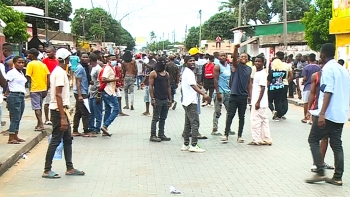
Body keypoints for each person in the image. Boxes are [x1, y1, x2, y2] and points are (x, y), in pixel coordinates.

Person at [306, 43, 350, 186]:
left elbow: (328, 92)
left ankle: (319, 171)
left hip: (329, 113)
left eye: (320, 54)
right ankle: (337, 177)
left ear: (323, 54)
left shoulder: (328, 69)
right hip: (340, 113)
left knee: (313, 139)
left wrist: (322, 114)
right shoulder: (343, 70)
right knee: (337, 144)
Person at [43, 48, 85, 179]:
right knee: (56, 139)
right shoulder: (60, 73)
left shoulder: (59, 71)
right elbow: (58, 95)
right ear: (66, 59)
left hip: (62, 110)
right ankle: (47, 169)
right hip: (58, 111)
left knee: (67, 139)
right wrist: (62, 117)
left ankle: (70, 167)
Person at [306, 60, 334, 172]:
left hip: (329, 111)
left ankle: (320, 162)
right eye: (321, 64)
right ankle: (317, 163)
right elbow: (312, 93)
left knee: (325, 137)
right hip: (318, 109)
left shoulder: (332, 75)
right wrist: (309, 110)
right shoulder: (315, 76)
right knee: (315, 137)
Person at [222, 45, 252, 143]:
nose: (243, 58)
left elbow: (249, 83)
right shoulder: (235, 66)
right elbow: (234, 58)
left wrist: (250, 95)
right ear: (239, 58)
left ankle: (240, 136)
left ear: (248, 59)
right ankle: (226, 134)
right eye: (241, 57)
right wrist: (235, 48)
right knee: (230, 115)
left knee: (242, 117)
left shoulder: (249, 69)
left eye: (245, 57)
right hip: (234, 95)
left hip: (243, 96)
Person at [180, 56, 210, 152]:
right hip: (190, 101)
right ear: (185, 62)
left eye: (193, 60)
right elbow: (193, 85)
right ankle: (193, 145)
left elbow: (194, 84)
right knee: (195, 123)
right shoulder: (188, 73)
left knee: (188, 124)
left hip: (187, 101)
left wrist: (200, 87)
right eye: (190, 61)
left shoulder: (188, 72)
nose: (193, 62)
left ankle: (185, 144)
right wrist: (204, 94)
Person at [248, 55, 272, 145]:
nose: (257, 63)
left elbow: (263, 88)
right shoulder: (258, 73)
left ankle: (256, 139)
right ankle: (266, 139)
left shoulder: (262, 73)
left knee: (255, 121)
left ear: (263, 62)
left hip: (259, 102)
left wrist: (257, 101)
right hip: (261, 102)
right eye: (256, 61)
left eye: (259, 61)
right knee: (263, 121)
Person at [26, 48, 50, 132]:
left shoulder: (30, 64)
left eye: (28, 54)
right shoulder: (42, 64)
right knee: (39, 107)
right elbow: (48, 76)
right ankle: (38, 123)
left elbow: (28, 76)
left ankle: (41, 125)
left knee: (36, 108)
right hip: (43, 88)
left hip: (35, 88)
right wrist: (47, 88)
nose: (27, 55)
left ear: (32, 55)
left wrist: (29, 86)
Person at [149, 58, 172, 142]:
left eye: (164, 62)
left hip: (165, 99)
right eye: (161, 62)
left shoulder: (167, 74)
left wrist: (170, 99)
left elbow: (168, 86)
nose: (163, 64)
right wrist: (153, 98)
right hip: (157, 99)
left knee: (163, 118)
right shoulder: (154, 73)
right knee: (155, 118)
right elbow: (151, 86)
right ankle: (153, 135)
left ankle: (161, 134)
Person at [6, 56, 26, 144]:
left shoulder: (21, 73)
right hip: (14, 95)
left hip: (21, 96)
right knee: (15, 117)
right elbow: (6, 83)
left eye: (22, 62)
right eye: (19, 62)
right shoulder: (11, 73)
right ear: (14, 63)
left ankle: (16, 135)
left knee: (19, 117)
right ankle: (11, 137)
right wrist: (6, 95)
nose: (21, 64)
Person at [72, 52, 92, 137]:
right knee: (85, 112)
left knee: (78, 112)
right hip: (81, 92)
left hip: (84, 91)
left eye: (87, 57)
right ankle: (86, 131)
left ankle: (75, 130)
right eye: (83, 57)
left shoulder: (86, 67)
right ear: (80, 58)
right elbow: (78, 82)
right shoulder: (80, 68)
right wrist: (80, 95)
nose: (85, 59)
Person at [212, 52, 231, 136]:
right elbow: (215, 80)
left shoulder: (228, 66)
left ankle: (228, 128)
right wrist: (218, 92)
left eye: (224, 56)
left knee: (230, 111)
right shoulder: (217, 66)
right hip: (220, 91)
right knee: (217, 111)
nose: (223, 57)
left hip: (228, 91)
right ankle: (214, 129)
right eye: (221, 56)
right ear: (218, 57)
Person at [100, 55, 119, 136]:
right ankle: (105, 125)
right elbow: (103, 79)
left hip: (109, 91)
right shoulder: (108, 68)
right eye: (112, 59)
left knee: (108, 110)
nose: (114, 61)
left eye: (115, 59)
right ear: (108, 60)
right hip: (108, 92)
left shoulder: (112, 67)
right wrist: (115, 79)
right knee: (116, 109)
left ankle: (105, 128)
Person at [301, 53, 320, 123]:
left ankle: (306, 117)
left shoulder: (306, 67)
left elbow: (305, 78)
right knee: (314, 103)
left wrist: (303, 82)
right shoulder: (318, 67)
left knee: (306, 102)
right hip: (316, 87)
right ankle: (312, 119)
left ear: (308, 59)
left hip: (307, 87)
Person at [42, 46, 58, 125]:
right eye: (47, 52)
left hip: (56, 83)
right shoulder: (44, 61)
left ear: (54, 52)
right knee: (47, 102)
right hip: (48, 83)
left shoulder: (57, 60)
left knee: (54, 101)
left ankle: (53, 118)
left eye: (49, 52)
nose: (48, 54)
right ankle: (46, 118)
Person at [267, 55, 286, 121]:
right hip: (281, 87)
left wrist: (266, 87)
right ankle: (279, 115)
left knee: (269, 101)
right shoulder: (283, 72)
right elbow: (283, 78)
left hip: (272, 88)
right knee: (278, 102)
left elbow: (269, 80)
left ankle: (273, 110)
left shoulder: (271, 72)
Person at [88, 53, 103, 134]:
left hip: (97, 92)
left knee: (97, 111)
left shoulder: (98, 69)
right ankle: (91, 127)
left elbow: (100, 82)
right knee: (92, 111)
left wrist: (99, 95)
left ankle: (97, 127)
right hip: (92, 92)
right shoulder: (93, 68)